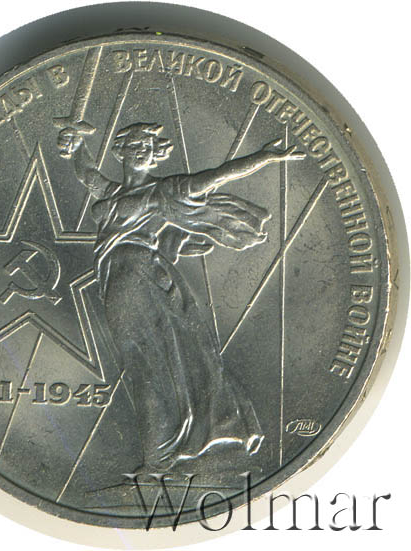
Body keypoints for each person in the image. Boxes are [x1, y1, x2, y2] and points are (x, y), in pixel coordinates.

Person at [58, 122, 305, 472]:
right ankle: (165, 451)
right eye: (135, 145)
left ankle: (159, 456)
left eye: (148, 147)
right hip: (116, 279)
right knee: (148, 364)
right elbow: (86, 173)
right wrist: (75, 141)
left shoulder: (165, 191)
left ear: (155, 155)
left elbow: (217, 176)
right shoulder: (110, 191)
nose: (141, 150)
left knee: (148, 366)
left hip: (141, 277)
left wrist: (264, 158)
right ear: (121, 150)